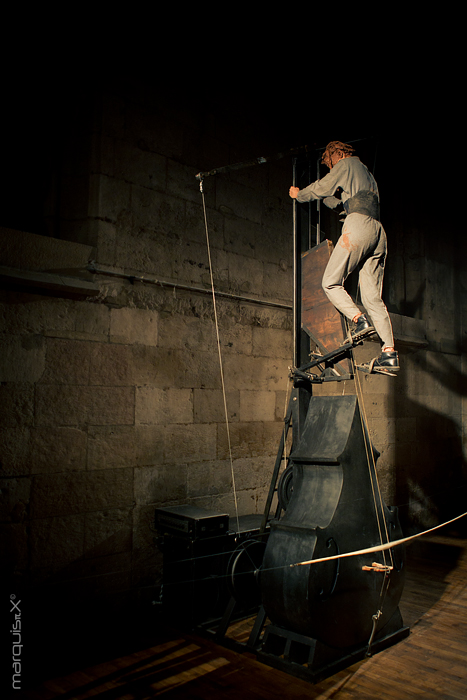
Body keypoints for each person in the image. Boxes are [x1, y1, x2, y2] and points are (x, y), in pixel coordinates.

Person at [289, 140, 399, 373]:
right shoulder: (366, 174)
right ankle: (389, 352)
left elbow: (323, 186)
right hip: (378, 233)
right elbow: (340, 202)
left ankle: (359, 320)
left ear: (337, 153)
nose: (330, 167)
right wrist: (325, 200)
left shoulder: (346, 163)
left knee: (330, 282)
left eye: (329, 162)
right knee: (372, 298)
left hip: (358, 226)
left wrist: (300, 194)